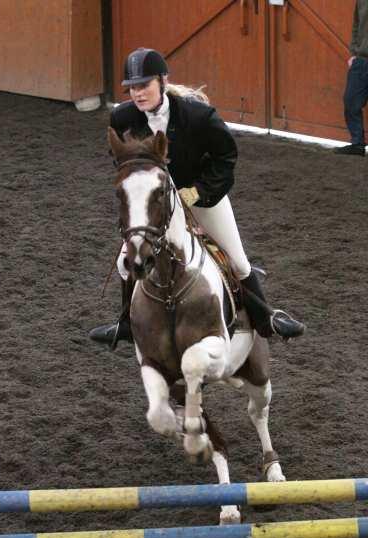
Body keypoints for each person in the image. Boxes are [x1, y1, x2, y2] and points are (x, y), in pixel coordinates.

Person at [90, 48, 305, 349]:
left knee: (237, 260)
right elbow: (121, 159)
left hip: (199, 197)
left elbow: (226, 157)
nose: (137, 93)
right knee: (127, 261)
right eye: (132, 87)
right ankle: (125, 324)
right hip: (155, 202)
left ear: (163, 81)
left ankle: (266, 318)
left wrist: (196, 193)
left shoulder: (198, 116)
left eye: (144, 85)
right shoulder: (122, 117)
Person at [335, 0, 368, 156]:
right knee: (351, 100)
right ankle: (357, 144)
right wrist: (354, 52)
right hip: (361, 60)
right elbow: (356, 24)